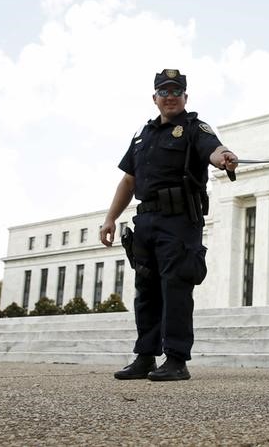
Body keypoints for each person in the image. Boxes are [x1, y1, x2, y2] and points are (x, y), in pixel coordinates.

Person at [100, 69, 238, 381]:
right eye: (164, 91)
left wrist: (224, 157)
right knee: (145, 289)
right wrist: (110, 218)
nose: (170, 96)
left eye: (176, 91)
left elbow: (213, 149)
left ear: (185, 97)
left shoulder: (194, 127)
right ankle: (145, 356)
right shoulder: (142, 135)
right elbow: (128, 179)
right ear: (155, 98)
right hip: (146, 220)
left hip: (179, 221)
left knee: (176, 287)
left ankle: (176, 359)